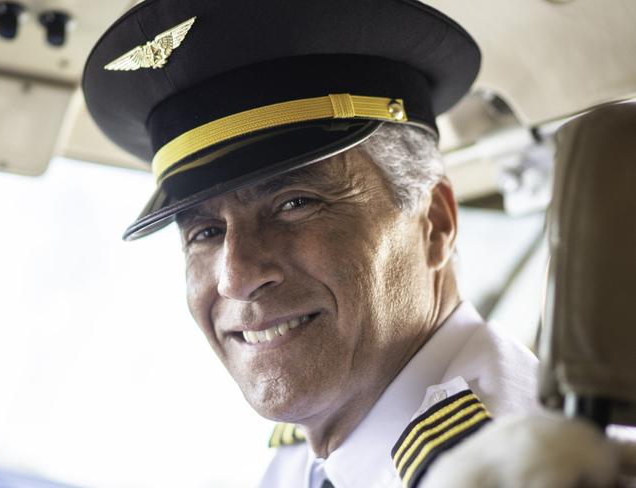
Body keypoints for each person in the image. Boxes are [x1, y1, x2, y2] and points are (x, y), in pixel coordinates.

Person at [82, 0, 538, 486]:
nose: (236, 278)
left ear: (436, 223)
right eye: (206, 233)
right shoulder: (316, 458)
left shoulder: (522, 471)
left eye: (294, 203)